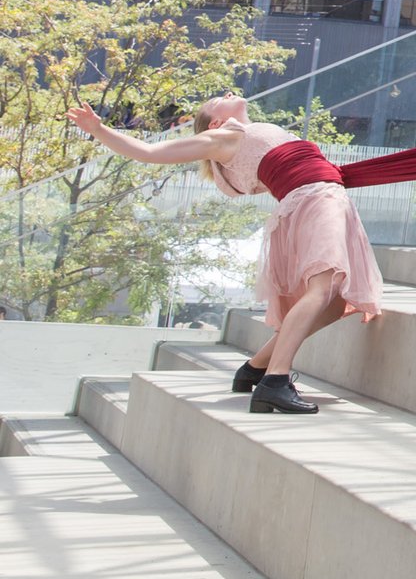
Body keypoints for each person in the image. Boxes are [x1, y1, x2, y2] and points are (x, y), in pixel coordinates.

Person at [68, 91, 381, 415]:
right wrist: (99, 130)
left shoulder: (255, 132)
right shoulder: (222, 138)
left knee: (333, 306)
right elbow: (149, 152)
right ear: (214, 121)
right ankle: (274, 381)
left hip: (322, 199)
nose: (227, 93)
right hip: (315, 200)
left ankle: (254, 369)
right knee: (322, 290)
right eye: (217, 98)